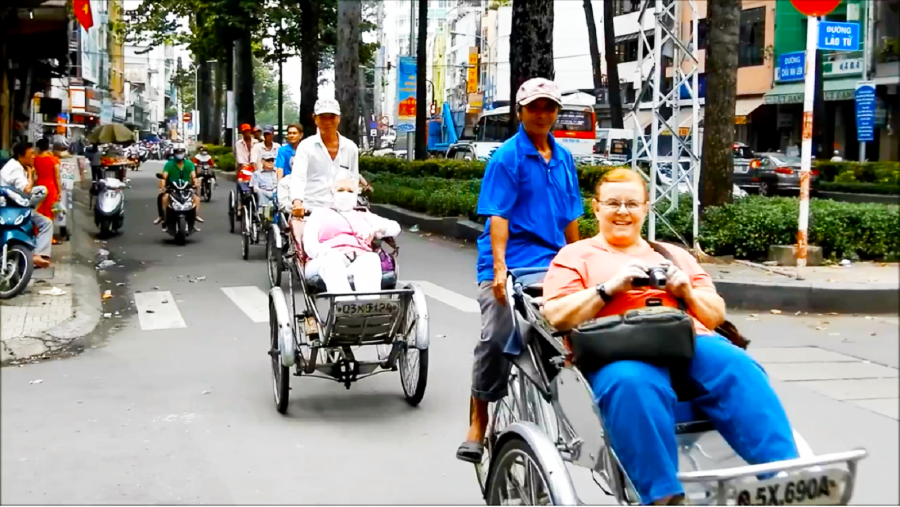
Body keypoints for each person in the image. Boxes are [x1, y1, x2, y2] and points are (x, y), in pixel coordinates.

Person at [540, 168, 800, 505]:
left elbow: (715, 312)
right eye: (613, 203)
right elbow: (556, 314)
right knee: (632, 383)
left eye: (632, 203)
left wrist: (687, 293)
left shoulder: (672, 254)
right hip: (618, 349)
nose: (622, 211)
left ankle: (786, 477)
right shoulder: (575, 256)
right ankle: (663, 496)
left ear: (646, 208)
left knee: (737, 366)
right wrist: (608, 289)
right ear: (597, 208)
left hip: (687, 340)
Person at [455, 78, 584, 464]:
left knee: (587, 329)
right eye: (534, 107)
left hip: (554, 263)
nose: (541, 114)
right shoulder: (507, 158)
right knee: (497, 334)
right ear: (521, 112)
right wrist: (498, 269)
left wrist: (580, 262)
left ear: (556, 112)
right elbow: (498, 215)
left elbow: (571, 218)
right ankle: (479, 420)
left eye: (548, 107)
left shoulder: (564, 159)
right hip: (511, 261)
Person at [302, 172, 400, 297]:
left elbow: (395, 227)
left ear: (355, 194)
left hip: (357, 259)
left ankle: (367, 306)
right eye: (341, 190)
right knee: (333, 262)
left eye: (350, 191)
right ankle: (345, 306)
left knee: (372, 258)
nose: (345, 194)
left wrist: (376, 229)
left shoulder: (364, 215)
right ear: (332, 192)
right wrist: (329, 253)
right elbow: (310, 245)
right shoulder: (319, 214)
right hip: (324, 261)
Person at [290, 98, 369, 241]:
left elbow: (353, 179)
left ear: (338, 119)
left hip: (342, 211)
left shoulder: (350, 148)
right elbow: (298, 177)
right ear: (315, 119)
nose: (327, 122)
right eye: (322, 118)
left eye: (331, 117)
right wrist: (297, 203)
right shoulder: (306, 147)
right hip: (312, 210)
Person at [0, 142, 53, 268]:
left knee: (45, 222)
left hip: (15, 204)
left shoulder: (16, 166)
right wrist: (30, 173)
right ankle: (36, 255)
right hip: (10, 207)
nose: (33, 157)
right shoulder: (15, 168)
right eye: (31, 154)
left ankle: (38, 254)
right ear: (20, 155)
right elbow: (27, 190)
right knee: (45, 219)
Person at [155, 146, 203, 226]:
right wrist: (162, 186)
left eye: (181, 153)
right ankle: (162, 216)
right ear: (174, 154)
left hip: (186, 188)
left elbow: (193, 176)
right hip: (172, 188)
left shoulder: (189, 164)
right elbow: (164, 176)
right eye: (177, 153)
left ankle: (195, 215)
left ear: (184, 154)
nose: (179, 155)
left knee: (196, 198)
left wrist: (195, 182)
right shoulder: (169, 164)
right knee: (163, 198)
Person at [33, 139, 61, 223]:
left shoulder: (35, 159)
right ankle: (48, 234)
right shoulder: (54, 159)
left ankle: (37, 231)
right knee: (49, 211)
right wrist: (59, 190)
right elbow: (57, 176)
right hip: (51, 187)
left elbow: (34, 174)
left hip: (39, 186)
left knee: (39, 210)